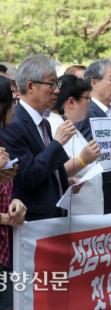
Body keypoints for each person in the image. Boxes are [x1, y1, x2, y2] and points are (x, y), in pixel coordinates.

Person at [0, 54, 76, 221]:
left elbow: (45, 167)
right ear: (30, 86)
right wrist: (57, 143)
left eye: (58, 83)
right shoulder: (13, 124)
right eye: (51, 83)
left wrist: (62, 182)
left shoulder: (44, 123)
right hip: (31, 222)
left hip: (54, 217)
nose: (57, 90)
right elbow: (27, 177)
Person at [76, 59, 111, 214]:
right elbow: (86, 151)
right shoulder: (87, 112)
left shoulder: (110, 111)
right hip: (103, 193)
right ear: (94, 83)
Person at [47, 74, 103, 215]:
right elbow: (51, 172)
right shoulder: (55, 126)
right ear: (71, 102)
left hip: (86, 214)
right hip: (74, 216)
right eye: (87, 99)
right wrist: (83, 159)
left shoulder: (66, 123)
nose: (89, 104)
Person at [0, 75, 26, 310]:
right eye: (12, 99)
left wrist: (16, 201)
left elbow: (9, 187)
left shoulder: (3, 142)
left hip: (6, 249)